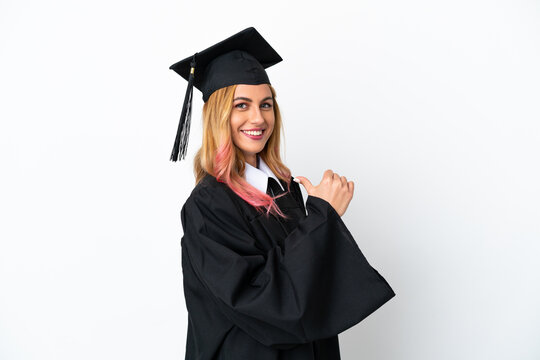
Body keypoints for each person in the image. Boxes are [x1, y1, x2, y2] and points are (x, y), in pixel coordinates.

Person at [169, 27, 396, 360]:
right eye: (241, 105)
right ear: (218, 115)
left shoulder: (284, 190)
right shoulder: (208, 205)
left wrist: (323, 218)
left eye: (266, 104)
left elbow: (311, 290)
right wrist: (323, 217)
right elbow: (259, 300)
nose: (258, 118)